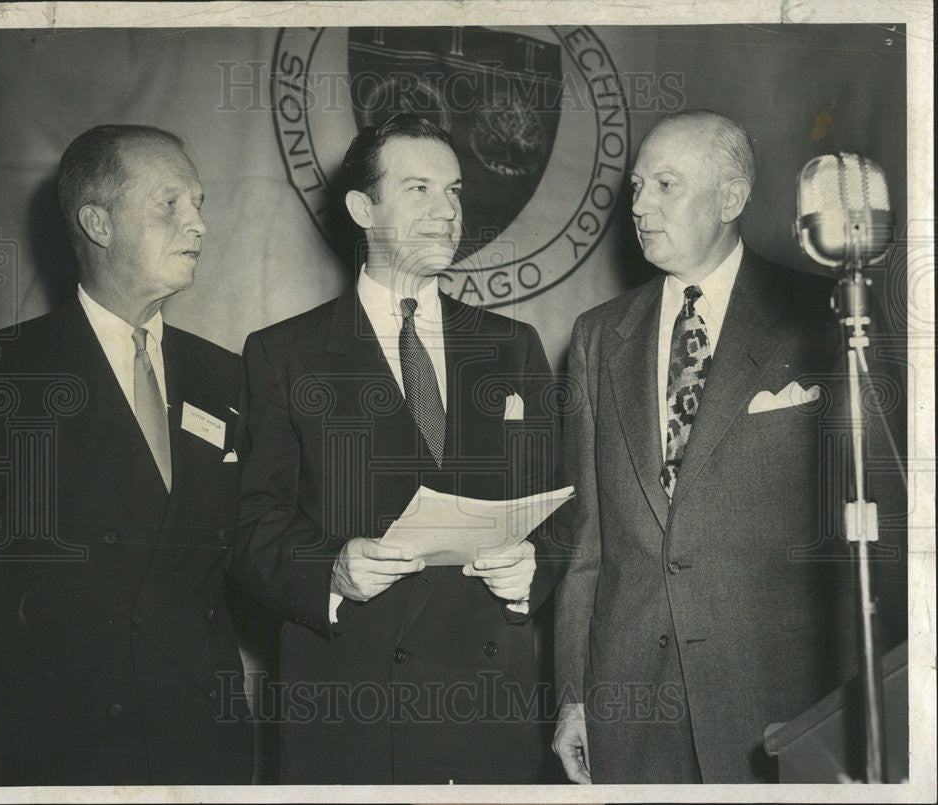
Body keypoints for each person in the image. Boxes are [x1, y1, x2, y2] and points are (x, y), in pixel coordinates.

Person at [552, 110, 906, 783]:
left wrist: (882, 703)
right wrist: (575, 696)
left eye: (665, 184)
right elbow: (585, 545)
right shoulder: (598, 336)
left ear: (731, 197)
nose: (640, 206)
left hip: (784, 707)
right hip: (630, 711)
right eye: (636, 187)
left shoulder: (824, 314)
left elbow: (881, 533)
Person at [234, 113, 567, 784]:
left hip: (486, 710)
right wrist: (330, 567)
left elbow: (560, 508)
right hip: (351, 709)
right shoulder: (284, 355)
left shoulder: (513, 346)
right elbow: (249, 525)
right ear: (362, 207)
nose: (447, 211)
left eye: (454, 191)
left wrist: (536, 564)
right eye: (419, 189)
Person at [0, 124, 253, 785]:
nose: (199, 225)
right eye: (170, 204)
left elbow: (250, 553)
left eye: (200, 203)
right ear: (97, 222)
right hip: (64, 751)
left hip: (204, 747)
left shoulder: (226, 378)